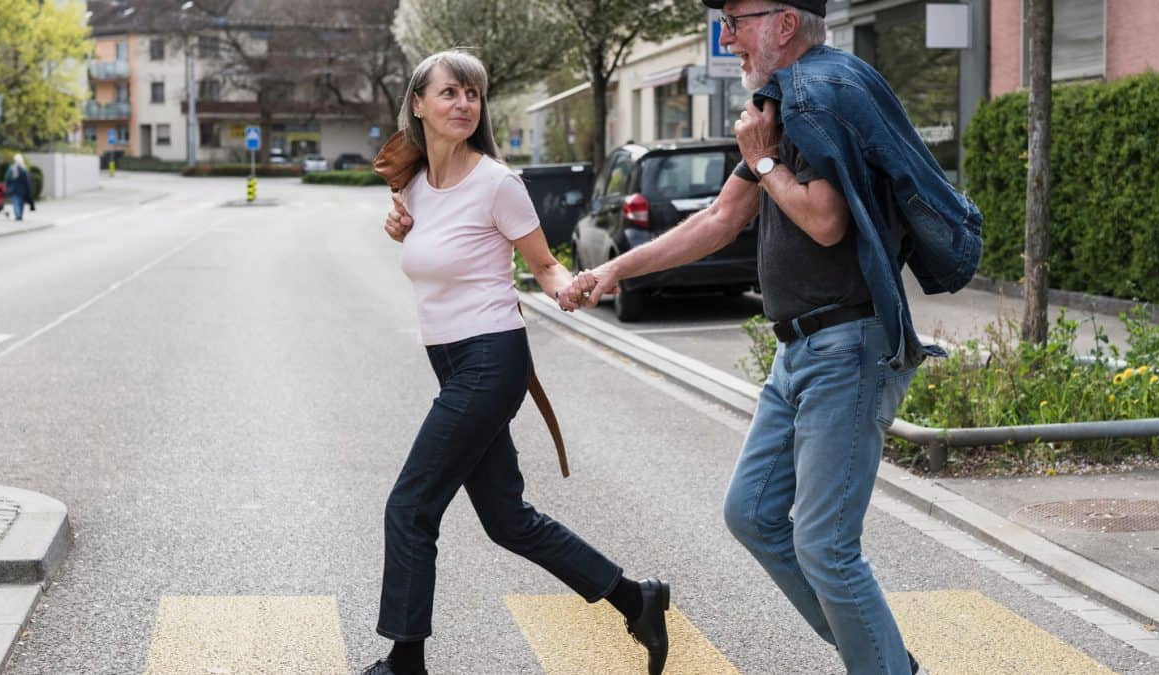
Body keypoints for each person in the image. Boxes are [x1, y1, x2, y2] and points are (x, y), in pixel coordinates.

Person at [561, 1, 980, 672]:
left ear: (785, 24)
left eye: (738, 19)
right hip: (799, 352)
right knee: (752, 512)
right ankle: (882, 657)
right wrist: (614, 267)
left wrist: (762, 163)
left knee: (825, 548)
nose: (728, 37)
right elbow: (722, 219)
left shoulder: (817, 96)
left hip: (847, 347)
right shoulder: (785, 104)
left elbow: (823, 220)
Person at [366, 50, 669, 675]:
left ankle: (404, 662)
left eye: (473, 94)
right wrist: (399, 228)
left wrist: (567, 287)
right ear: (418, 103)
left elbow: (544, 264)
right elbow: (422, 242)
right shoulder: (416, 185)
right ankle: (636, 598)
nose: (464, 104)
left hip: (491, 359)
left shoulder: (498, 183)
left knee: (410, 505)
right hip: (451, 362)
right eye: (449, 93)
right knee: (507, 520)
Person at [4, 154, 33, 221]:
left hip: (14, 189)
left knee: (16, 202)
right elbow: (27, 181)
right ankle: (20, 215)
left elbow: (7, 178)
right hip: (23, 189)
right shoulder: (24, 169)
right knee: (21, 203)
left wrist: (8, 186)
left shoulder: (11, 169)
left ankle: (18, 215)